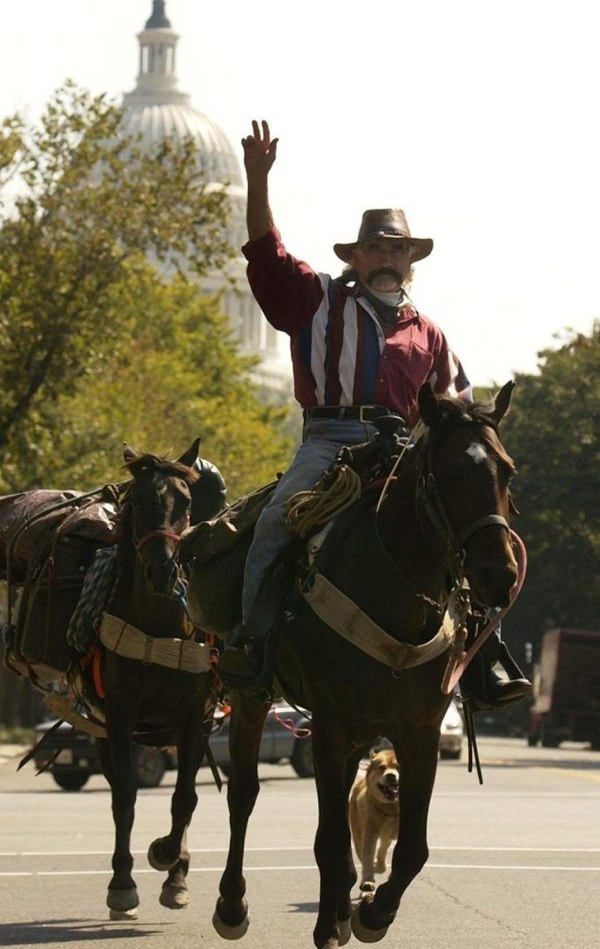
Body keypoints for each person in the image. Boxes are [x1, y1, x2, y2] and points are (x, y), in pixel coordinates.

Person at [221, 120, 530, 711]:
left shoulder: (430, 333)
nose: (387, 258)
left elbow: (461, 414)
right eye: (377, 249)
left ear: (411, 261)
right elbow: (266, 253)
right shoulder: (318, 301)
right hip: (329, 441)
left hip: (404, 449)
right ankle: (252, 647)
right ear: (357, 257)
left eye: (398, 250)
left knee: (473, 529)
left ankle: (484, 659)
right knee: (274, 525)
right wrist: (256, 180)